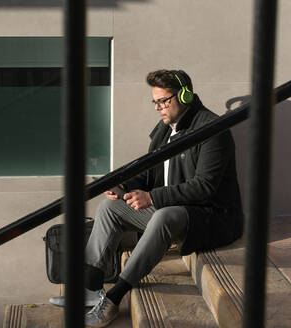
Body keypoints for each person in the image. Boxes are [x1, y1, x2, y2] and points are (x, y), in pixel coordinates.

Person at [50, 69, 244, 327]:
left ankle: (113, 298)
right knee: (110, 208)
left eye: (164, 101)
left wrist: (152, 197)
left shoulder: (212, 130)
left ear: (185, 96)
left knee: (164, 215)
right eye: (155, 101)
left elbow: (204, 187)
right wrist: (123, 186)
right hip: (173, 208)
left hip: (211, 216)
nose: (158, 108)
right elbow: (150, 173)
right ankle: (90, 286)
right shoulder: (165, 130)